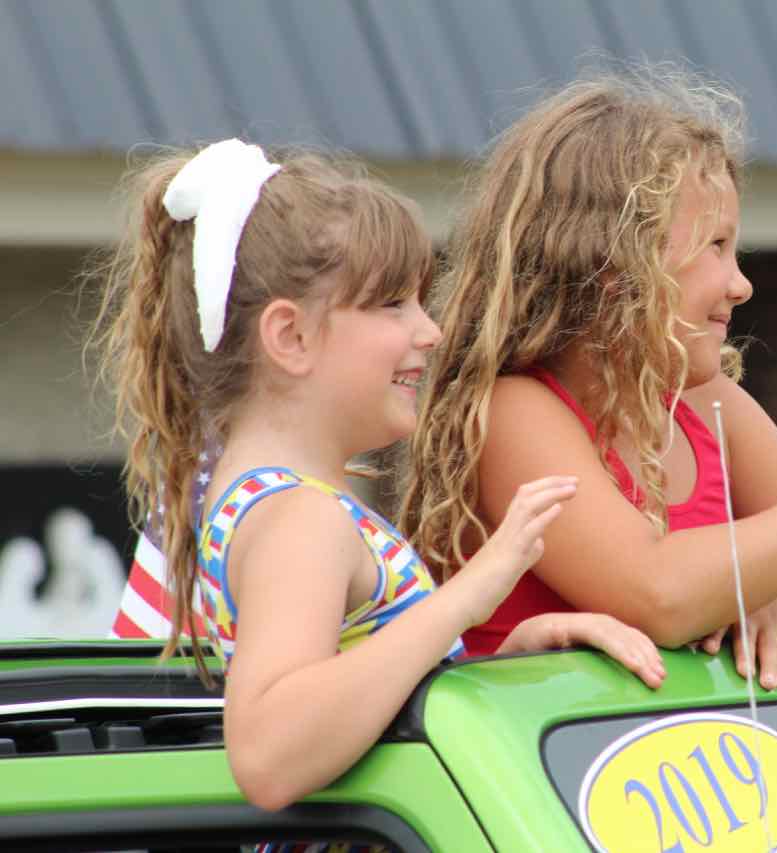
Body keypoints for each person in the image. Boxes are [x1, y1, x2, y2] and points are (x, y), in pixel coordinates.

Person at [85, 139, 664, 814]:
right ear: (290, 337)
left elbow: (366, 714)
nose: (430, 331)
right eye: (393, 304)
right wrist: (464, 599)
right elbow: (270, 753)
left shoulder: (284, 507)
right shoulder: (301, 520)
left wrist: (503, 660)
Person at [400, 67, 777, 692]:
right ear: (615, 261)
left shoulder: (708, 404)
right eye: (716, 245)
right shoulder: (514, 410)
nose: (741, 284)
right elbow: (658, 595)